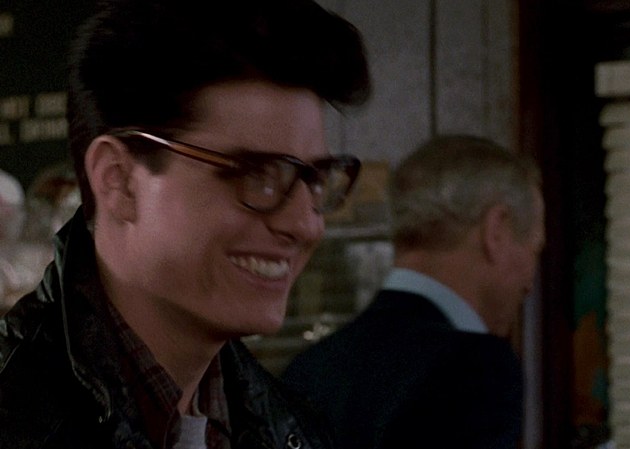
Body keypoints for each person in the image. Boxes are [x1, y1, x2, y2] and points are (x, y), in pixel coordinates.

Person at [0, 0, 370, 447]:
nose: (305, 226)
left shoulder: (290, 425)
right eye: (257, 174)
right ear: (118, 180)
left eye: (316, 179)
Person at [281, 135, 546, 449]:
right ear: (496, 230)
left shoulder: (309, 370)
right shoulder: (477, 371)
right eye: (535, 249)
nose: (530, 283)